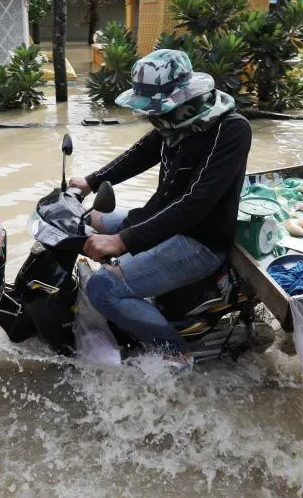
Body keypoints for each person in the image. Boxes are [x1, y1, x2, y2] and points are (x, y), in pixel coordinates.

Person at [68, 49, 252, 367]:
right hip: (161, 218)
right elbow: (141, 152)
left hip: (200, 241)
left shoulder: (230, 130)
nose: (150, 118)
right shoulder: (174, 122)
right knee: (87, 219)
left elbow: (194, 205)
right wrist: (90, 181)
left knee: (103, 286)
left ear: (182, 96)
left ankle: (174, 351)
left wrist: (121, 241)